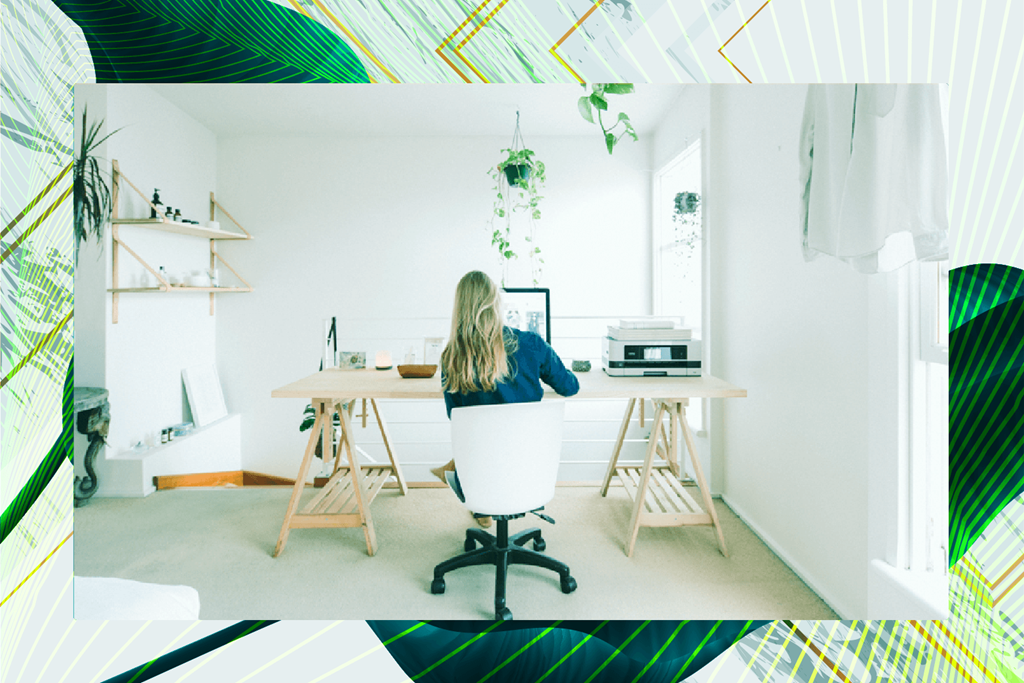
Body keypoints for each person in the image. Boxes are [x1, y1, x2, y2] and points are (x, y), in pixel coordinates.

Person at [430, 271, 579, 527]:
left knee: (482, 440)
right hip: (529, 459)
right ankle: (486, 497)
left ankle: (482, 502)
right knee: (506, 437)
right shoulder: (531, 344)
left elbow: (454, 416)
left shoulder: (451, 357)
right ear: (496, 302)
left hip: (481, 465)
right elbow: (569, 387)